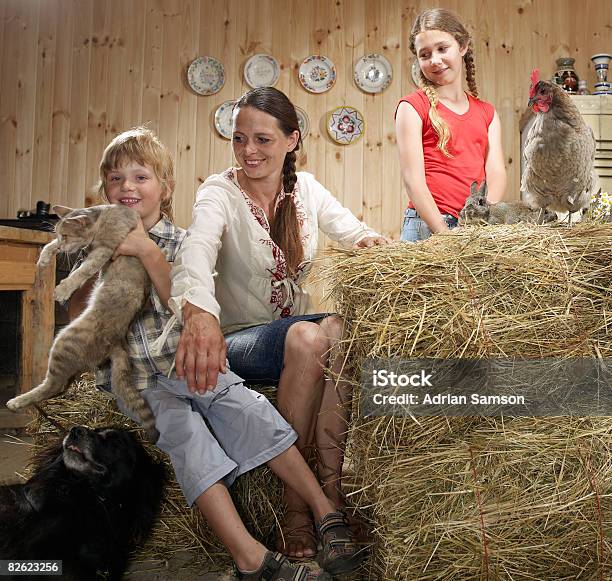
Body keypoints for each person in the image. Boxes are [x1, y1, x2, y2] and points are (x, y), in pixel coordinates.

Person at [67, 127, 364, 581]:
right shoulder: (95, 248)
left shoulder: (181, 241)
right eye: (115, 178)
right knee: (188, 438)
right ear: (103, 189)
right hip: (141, 381)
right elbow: (81, 318)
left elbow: (186, 305)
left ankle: (325, 512)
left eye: (140, 177)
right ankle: (252, 560)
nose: (127, 187)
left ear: (164, 189)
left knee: (253, 413)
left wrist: (147, 252)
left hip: (190, 363)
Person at [169, 87, 387, 560]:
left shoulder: (306, 189)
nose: (249, 151)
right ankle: (298, 510)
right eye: (240, 139)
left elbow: (355, 233)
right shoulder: (219, 192)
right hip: (240, 341)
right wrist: (199, 313)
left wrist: (377, 249)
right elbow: (197, 250)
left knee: (337, 332)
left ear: (292, 140)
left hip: (297, 339)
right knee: (312, 334)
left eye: (263, 140)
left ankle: (329, 494)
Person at [395, 8, 507, 242]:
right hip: (426, 226)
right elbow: (413, 182)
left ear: (462, 46)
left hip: (473, 226)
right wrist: (446, 235)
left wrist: (483, 217)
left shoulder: (487, 113)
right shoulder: (412, 107)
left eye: (442, 49)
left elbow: (496, 173)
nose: (435, 60)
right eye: (424, 55)